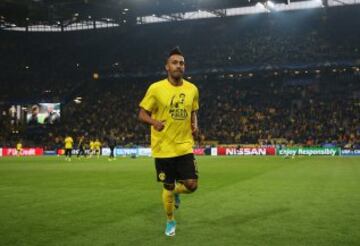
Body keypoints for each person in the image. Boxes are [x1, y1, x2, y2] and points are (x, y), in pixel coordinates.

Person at [138, 47, 199, 237]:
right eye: (174, 62)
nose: (178, 66)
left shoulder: (192, 89)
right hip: (163, 148)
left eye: (181, 63)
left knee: (192, 185)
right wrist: (154, 122)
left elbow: (193, 111)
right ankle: (170, 221)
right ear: (167, 66)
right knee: (168, 187)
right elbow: (141, 113)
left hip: (184, 146)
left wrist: (195, 125)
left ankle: (177, 193)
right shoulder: (156, 88)